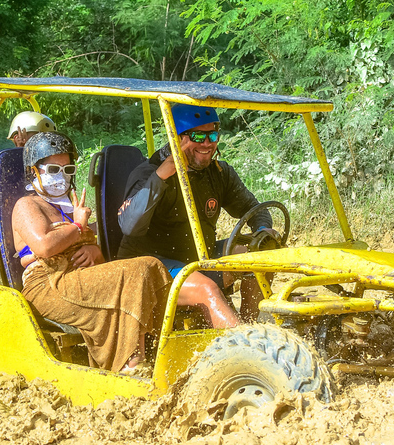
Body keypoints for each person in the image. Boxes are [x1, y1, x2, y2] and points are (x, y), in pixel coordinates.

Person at [12, 132, 172, 374]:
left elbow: (95, 259)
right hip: (48, 285)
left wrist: (93, 249)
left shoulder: (70, 206)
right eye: (54, 169)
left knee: (150, 266)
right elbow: (44, 247)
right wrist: (77, 227)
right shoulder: (27, 205)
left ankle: (159, 349)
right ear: (34, 170)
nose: (62, 176)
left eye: (67, 169)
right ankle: (132, 362)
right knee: (139, 269)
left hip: (79, 279)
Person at [117, 104, 278, 326]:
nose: (207, 143)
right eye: (197, 136)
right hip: (149, 266)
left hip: (198, 256)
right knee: (206, 288)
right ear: (177, 137)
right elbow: (129, 226)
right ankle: (246, 346)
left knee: (261, 253)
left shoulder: (219, 173)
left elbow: (254, 209)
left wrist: (262, 232)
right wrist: (163, 174)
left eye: (212, 135)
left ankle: (250, 327)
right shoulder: (146, 174)